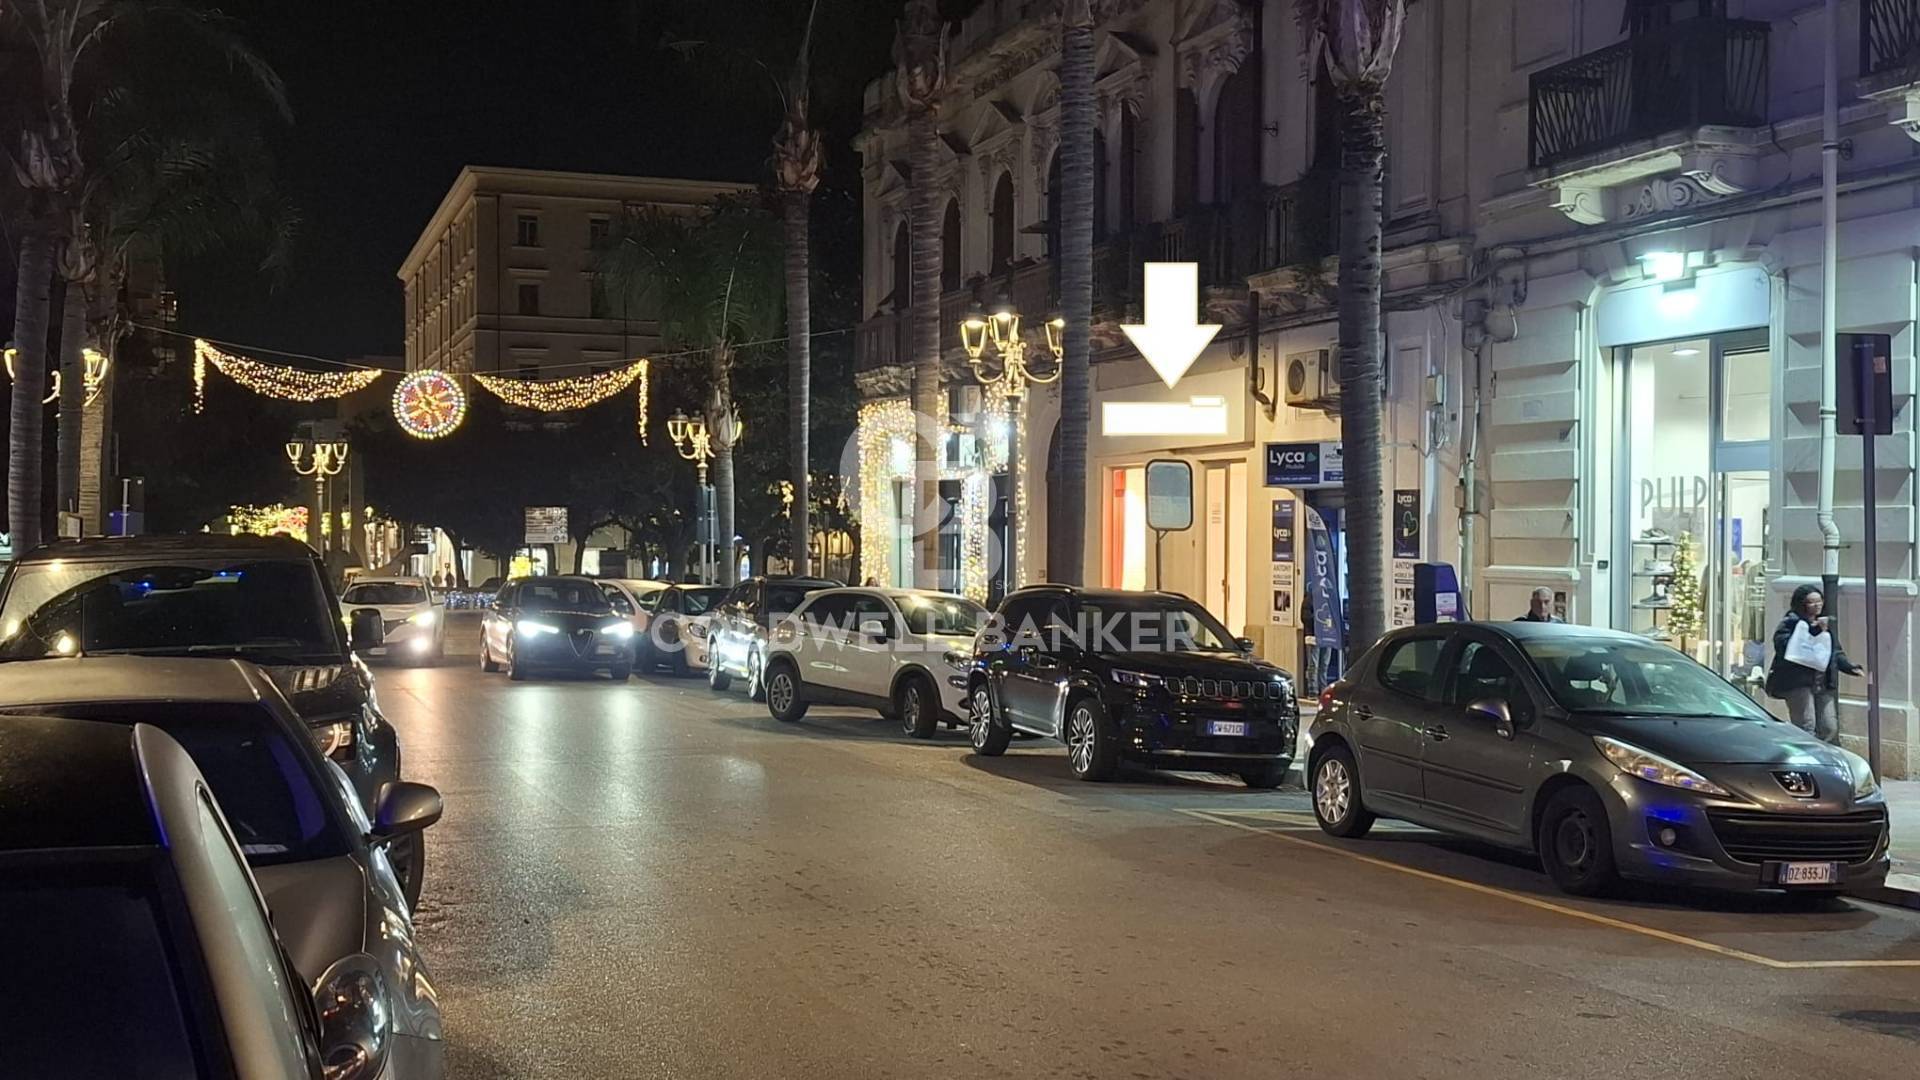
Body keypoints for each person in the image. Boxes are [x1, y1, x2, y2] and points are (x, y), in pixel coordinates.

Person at [1767, 585, 1862, 742]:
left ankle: (1819, 752)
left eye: (1819, 601)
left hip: (1822, 682)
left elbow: (1834, 651)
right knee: (1806, 726)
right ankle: (1805, 754)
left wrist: (1849, 667)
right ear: (1802, 604)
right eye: (1812, 602)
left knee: (1829, 726)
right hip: (1798, 683)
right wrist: (1814, 631)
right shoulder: (1791, 622)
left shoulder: (1823, 624)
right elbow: (1786, 647)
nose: (1817, 605)